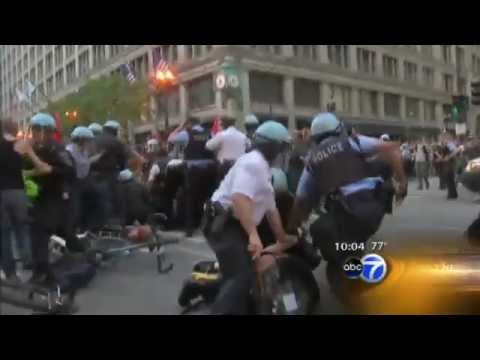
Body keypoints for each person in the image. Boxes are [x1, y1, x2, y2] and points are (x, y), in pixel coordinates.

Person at [286, 113, 407, 274]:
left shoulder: (312, 161)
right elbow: (393, 150)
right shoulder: (353, 142)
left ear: (314, 137)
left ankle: (356, 271)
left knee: (320, 230)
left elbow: (301, 200)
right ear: (339, 129)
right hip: (375, 205)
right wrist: (402, 184)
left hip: (347, 213)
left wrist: (291, 228)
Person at [203, 120, 294, 315]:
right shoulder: (253, 163)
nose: (283, 153)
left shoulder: (263, 168)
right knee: (241, 275)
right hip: (223, 224)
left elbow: (271, 210)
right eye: (282, 147)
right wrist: (253, 235)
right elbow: (239, 197)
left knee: (239, 273)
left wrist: (282, 238)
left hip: (232, 223)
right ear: (273, 147)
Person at [23, 113, 76, 284]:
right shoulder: (33, 149)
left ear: (49, 131)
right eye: (35, 129)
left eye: (40, 129)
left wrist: (51, 170)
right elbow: (27, 170)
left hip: (56, 196)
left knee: (47, 231)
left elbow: (70, 172)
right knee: (37, 233)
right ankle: (41, 269)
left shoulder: (57, 149)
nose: (37, 133)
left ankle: (49, 270)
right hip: (38, 196)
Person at [0, 119, 50, 281]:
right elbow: (41, 167)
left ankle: (11, 273)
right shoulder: (21, 145)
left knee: (4, 234)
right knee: (22, 228)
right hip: (18, 193)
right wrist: (37, 170)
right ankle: (28, 261)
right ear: (14, 130)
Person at [90, 120, 129, 226]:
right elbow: (123, 159)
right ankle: (113, 224)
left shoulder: (93, 140)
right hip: (110, 174)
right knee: (114, 200)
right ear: (115, 130)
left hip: (92, 175)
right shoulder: (116, 141)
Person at [66, 126, 95, 234]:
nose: (90, 144)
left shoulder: (83, 152)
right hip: (72, 185)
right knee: (74, 210)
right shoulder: (69, 151)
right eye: (88, 141)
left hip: (81, 183)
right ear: (82, 140)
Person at [205, 116, 249, 183]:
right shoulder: (243, 135)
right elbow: (249, 146)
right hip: (240, 166)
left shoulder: (221, 135)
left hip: (226, 166)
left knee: (223, 187)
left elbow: (208, 146)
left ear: (223, 125)